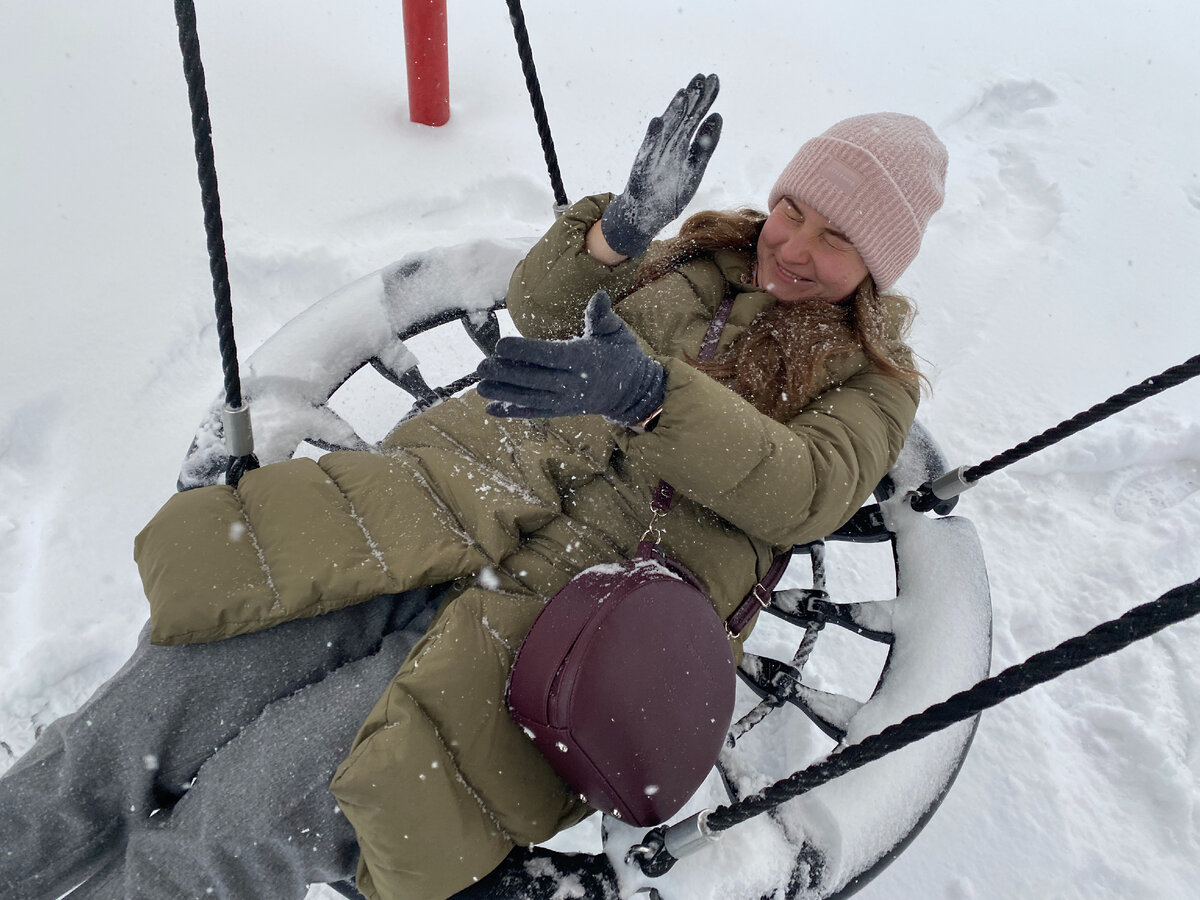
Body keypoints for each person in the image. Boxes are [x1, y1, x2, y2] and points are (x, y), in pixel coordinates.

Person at [0, 74, 947, 900]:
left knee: (246, 821)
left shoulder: (871, 384)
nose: (794, 245)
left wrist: (658, 399)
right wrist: (617, 237)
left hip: (544, 637)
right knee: (139, 719)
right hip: (423, 516)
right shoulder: (701, 263)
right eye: (793, 210)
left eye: (836, 239)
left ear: (879, 265)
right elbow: (541, 309)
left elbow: (807, 490)